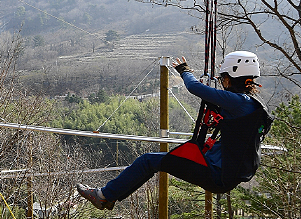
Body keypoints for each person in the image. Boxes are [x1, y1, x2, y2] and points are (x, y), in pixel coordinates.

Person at [76, 51, 273, 210]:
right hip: (226, 172)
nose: (223, 83)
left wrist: (184, 71)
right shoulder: (255, 106)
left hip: (217, 174)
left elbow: (194, 87)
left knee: (148, 161)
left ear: (233, 77)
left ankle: (103, 197)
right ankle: (107, 197)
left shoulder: (238, 102)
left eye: (225, 78)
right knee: (152, 162)